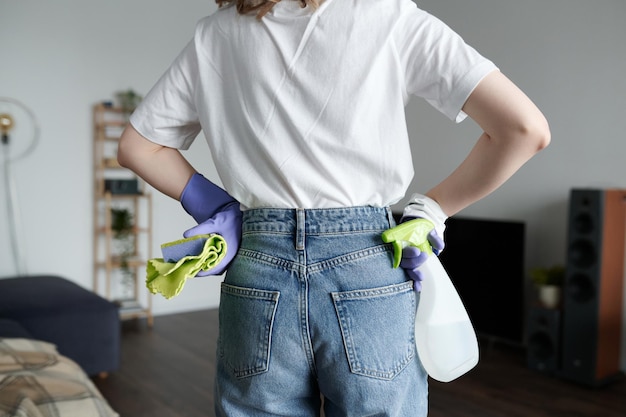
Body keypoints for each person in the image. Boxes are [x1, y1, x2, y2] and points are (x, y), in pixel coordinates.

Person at [117, 0, 550, 415]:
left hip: (257, 263)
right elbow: (524, 129)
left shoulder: (215, 34)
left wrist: (220, 206)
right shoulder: (389, 15)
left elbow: (139, 146)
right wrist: (432, 208)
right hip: (368, 263)